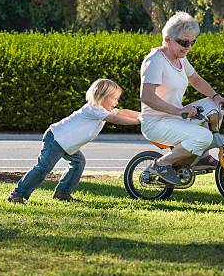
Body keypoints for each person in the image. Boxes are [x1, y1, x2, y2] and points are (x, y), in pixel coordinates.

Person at [8, 78, 140, 203]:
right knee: (43, 168)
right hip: (56, 139)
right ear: (103, 96)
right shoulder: (94, 109)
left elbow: (123, 113)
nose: (116, 103)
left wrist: (142, 115)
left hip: (67, 144)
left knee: (78, 163)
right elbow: (116, 119)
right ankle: (17, 193)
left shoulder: (101, 110)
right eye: (115, 99)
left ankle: (62, 193)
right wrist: (139, 121)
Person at [139, 11, 224, 185]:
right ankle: (162, 164)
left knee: (215, 107)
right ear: (167, 40)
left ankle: (202, 156)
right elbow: (147, 97)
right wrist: (179, 110)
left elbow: (195, 79)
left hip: (175, 116)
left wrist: (216, 96)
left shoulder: (181, 59)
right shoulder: (155, 60)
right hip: (155, 122)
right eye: (183, 42)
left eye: (192, 42)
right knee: (204, 136)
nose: (188, 47)